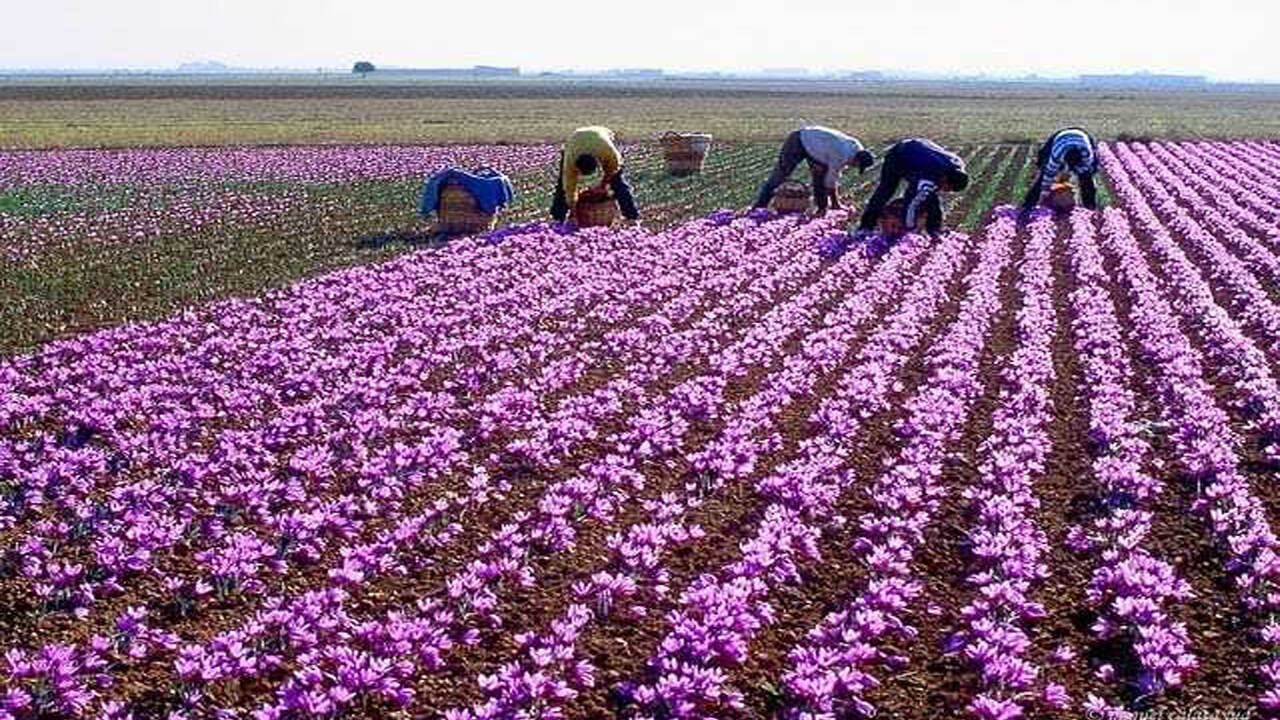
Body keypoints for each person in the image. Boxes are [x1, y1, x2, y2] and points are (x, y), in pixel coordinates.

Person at [855, 138, 969, 238]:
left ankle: (934, 230)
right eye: (947, 188)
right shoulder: (927, 179)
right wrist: (909, 229)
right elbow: (911, 203)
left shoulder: (958, 166)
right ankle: (866, 226)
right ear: (945, 179)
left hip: (919, 151)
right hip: (898, 156)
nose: (945, 191)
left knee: (931, 198)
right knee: (885, 190)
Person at [753, 126, 876, 214]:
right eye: (856, 165)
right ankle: (759, 206)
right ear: (856, 160)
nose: (852, 167)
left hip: (818, 147)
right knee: (781, 174)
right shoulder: (841, 154)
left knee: (819, 176)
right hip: (799, 140)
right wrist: (835, 202)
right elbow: (831, 181)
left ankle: (822, 208)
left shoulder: (858, 148)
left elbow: (831, 177)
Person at [550, 126, 640, 223]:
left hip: (601, 137)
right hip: (575, 141)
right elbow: (568, 188)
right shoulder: (569, 161)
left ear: (598, 161)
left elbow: (615, 168)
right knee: (562, 186)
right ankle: (558, 216)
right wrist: (574, 210)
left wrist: (604, 184)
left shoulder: (606, 151)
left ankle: (631, 215)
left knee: (617, 181)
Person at [1020, 127, 1099, 215]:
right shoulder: (1057, 154)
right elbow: (1048, 175)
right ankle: (1029, 204)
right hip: (1060, 138)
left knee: (1086, 179)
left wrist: (1076, 178)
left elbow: (1087, 170)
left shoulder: (1086, 154)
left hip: (1084, 137)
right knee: (1042, 173)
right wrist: (1045, 193)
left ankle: (1089, 206)